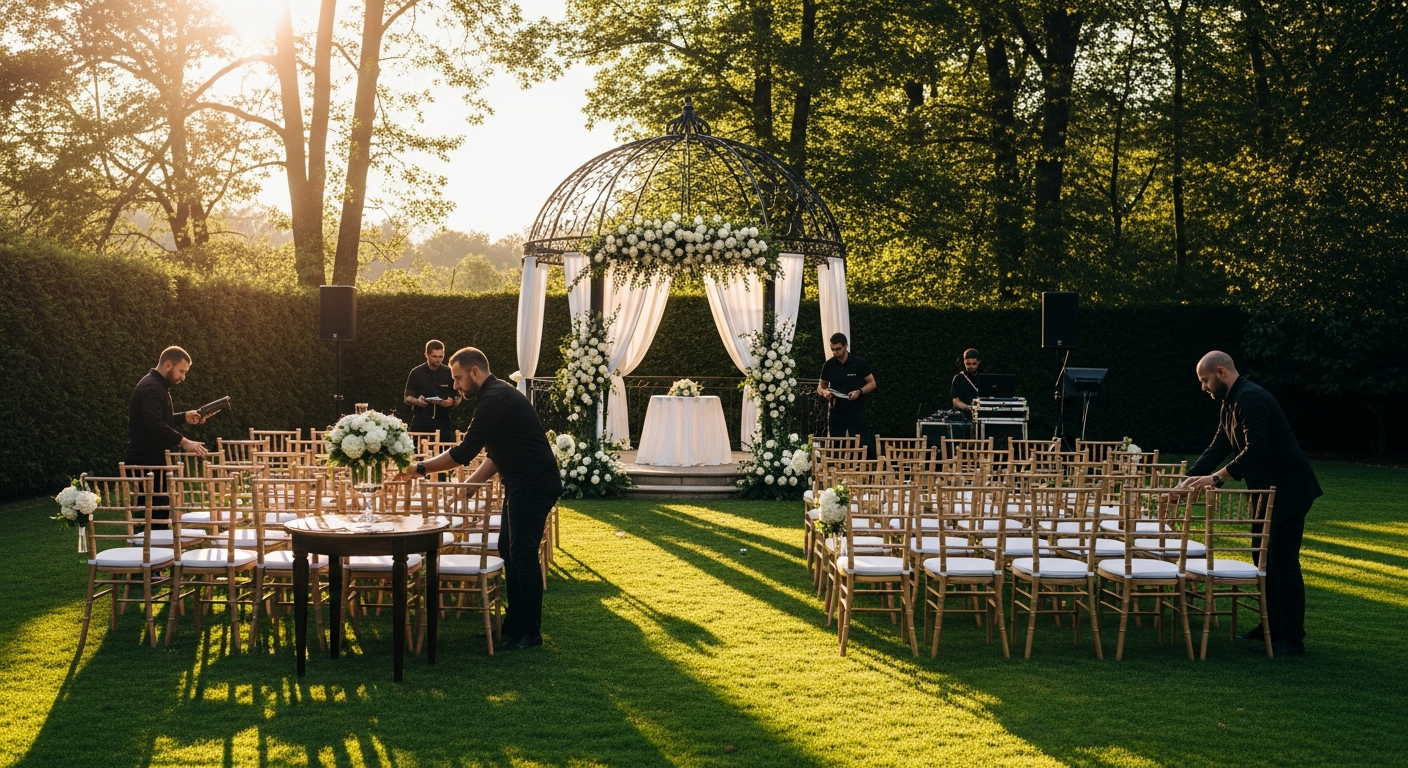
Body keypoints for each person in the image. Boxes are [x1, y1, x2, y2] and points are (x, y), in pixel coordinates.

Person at [396, 347, 562, 652]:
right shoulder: (495, 396)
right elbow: (494, 455)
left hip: (534, 484)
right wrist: (467, 488)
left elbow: (464, 452)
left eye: (458, 378)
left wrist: (418, 468)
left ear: (475, 372)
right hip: (521, 483)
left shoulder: (494, 398)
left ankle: (530, 633)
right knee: (508, 550)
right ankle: (514, 625)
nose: (455, 386)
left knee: (522, 554)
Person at [1177, 350, 1322, 657]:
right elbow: (1220, 444)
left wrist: (1216, 479)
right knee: (1262, 561)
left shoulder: (1251, 398)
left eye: (1204, 380)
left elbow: (1257, 448)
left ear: (1220, 372)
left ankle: (1292, 640)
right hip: (1264, 491)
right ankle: (1270, 627)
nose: (1203, 387)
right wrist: (1188, 480)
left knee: (1283, 565)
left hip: (1288, 489)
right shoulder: (1230, 402)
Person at [124, 346, 212, 522]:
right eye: (181, 371)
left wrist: (184, 417)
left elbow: (158, 420)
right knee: (152, 519)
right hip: (146, 461)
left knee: (158, 516)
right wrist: (184, 441)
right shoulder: (151, 387)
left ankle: (153, 548)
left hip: (152, 460)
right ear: (168, 364)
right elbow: (154, 425)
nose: (183, 377)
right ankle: (148, 549)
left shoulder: (157, 386)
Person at [815, 332, 876, 454]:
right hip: (837, 410)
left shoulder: (859, 363)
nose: (835, 352)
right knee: (836, 445)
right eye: (833, 349)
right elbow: (820, 387)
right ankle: (837, 469)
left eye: (838, 349)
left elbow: (872, 383)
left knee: (860, 443)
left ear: (846, 346)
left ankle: (861, 469)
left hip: (856, 409)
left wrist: (860, 391)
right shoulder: (829, 365)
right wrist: (825, 392)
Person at [404, 339, 460, 443]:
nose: (438, 360)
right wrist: (418, 402)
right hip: (421, 419)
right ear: (426, 355)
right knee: (418, 453)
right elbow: (407, 397)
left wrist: (451, 402)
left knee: (443, 453)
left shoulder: (449, 372)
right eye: (434, 356)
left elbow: (458, 395)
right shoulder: (416, 373)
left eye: (441, 356)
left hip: (443, 421)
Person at [950, 348, 982, 413]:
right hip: (964, 413)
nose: (971, 366)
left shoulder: (983, 377)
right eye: (968, 364)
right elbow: (956, 400)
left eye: (974, 364)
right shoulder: (958, 378)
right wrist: (968, 407)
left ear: (979, 362)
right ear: (964, 362)